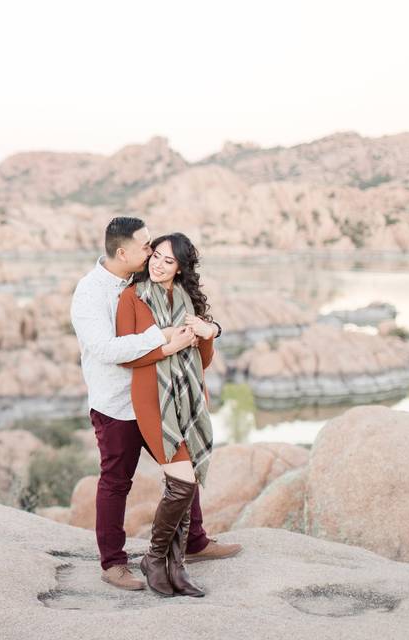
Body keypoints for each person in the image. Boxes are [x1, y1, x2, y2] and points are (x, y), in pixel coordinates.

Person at [69, 218, 241, 593]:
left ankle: (194, 542)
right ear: (122, 252)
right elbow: (105, 349)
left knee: (184, 470)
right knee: (116, 481)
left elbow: (194, 330)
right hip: (117, 405)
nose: (152, 254)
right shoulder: (90, 293)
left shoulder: (149, 284)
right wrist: (161, 339)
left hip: (160, 398)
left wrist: (209, 331)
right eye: (147, 247)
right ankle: (113, 563)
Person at [115, 231, 230, 597]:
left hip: (189, 401)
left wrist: (208, 332)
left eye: (169, 261)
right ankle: (154, 557)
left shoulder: (185, 299)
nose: (159, 265)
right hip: (152, 400)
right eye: (156, 257)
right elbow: (127, 355)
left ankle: (175, 568)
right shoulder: (132, 297)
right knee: (182, 482)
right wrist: (167, 347)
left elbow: (203, 360)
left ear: (181, 268)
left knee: (186, 483)